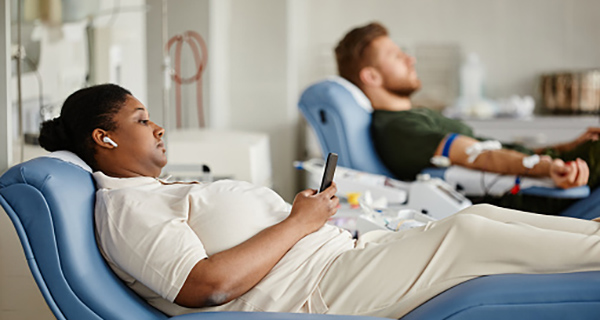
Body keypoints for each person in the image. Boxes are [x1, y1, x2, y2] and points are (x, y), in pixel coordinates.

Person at [38, 84, 600, 319]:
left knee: (474, 227)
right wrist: (299, 223)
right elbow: (203, 286)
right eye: (140, 120)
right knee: (469, 233)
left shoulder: (153, 191)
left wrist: (307, 218)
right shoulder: (124, 207)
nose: (157, 127)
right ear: (103, 139)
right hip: (316, 291)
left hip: (339, 260)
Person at [334, 22, 600, 214]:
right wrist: (549, 168)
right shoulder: (399, 127)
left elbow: (493, 150)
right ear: (371, 76)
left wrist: (566, 147)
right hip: (532, 191)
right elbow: (478, 156)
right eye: (396, 56)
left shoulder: (413, 116)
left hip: (544, 170)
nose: (410, 59)